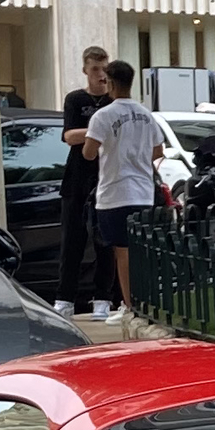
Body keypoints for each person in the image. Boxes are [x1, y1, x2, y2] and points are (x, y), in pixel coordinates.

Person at [74, 59, 159, 319]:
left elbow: (89, 153)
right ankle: (145, 302)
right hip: (144, 192)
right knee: (141, 253)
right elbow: (158, 151)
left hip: (114, 193)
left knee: (122, 254)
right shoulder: (146, 114)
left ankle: (130, 306)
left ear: (110, 83)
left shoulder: (104, 115)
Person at [56, 43, 112, 311]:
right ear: (85, 71)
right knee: (72, 242)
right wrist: (98, 130)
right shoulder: (75, 100)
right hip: (77, 179)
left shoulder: (115, 102)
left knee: (105, 243)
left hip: (106, 178)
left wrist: (87, 134)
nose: (101, 75)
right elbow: (69, 136)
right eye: (95, 70)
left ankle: (103, 298)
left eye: (104, 69)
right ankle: (64, 298)